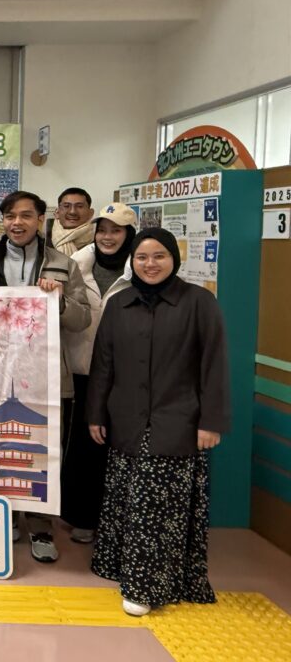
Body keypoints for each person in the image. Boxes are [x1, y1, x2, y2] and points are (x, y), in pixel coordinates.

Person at [87, 228, 229, 617]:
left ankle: (145, 586)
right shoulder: (119, 303)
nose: (150, 264)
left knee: (156, 507)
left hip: (176, 421)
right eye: (142, 257)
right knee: (125, 499)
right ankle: (117, 565)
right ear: (131, 261)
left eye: (159, 256)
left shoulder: (199, 302)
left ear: (174, 259)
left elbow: (214, 365)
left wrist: (211, 421)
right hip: (125, 420)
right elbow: (103, 364)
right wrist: (96, 413)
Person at [0, 190, 91, 563]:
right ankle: (5, 517)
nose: (16, 223)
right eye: (10, 216)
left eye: (25, 215)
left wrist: (60, 301)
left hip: (46, 375)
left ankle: (41, 527)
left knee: (42, 451)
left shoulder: (62, 265)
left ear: (40, 219)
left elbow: (83, 318)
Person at [60, 203, 136, 545]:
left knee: (116, 446)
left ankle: (116, 519)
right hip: (79, 369)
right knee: (81, 448)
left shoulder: (141, 268)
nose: (107, 237)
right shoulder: (76, 264)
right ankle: (82, 517)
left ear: (129, 234)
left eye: (116, 231)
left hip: (124, 377)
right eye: (102, 230)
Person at [46, 187, 95, 256]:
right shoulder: (42, 242)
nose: (72, 212)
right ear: (57, 213)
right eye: (66, 206)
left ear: (90, 213)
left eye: (79, 206)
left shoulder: (100, 243)